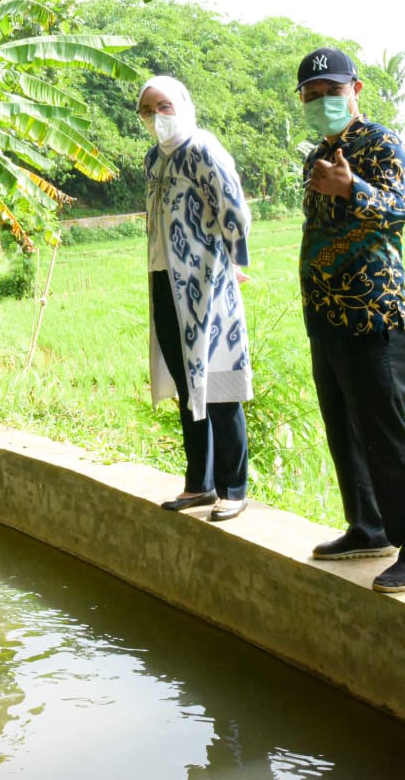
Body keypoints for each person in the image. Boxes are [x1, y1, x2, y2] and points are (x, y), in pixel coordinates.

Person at [295, 47, 405, 593]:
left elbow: (397, 209)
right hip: (328, 314)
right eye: (312, 96)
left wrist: (350, 187)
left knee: (385, 434)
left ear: (355, 90)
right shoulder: (319, 151)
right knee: (344, 427)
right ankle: (368, 527)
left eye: (331, 92)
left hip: (373, 315)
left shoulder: (380, 143)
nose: (321, 102)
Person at [138, 75, 253, 522]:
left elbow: (234, 211)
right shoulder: (153, 160)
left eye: (163, 106)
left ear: (182, 103)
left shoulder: (203, 149)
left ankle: (234, 487)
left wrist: (231, 262)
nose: (156, 118)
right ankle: (199, 484)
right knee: (187, 387)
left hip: (207, 282)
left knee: (219, 381)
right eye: (147, 111)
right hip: (165, 280)